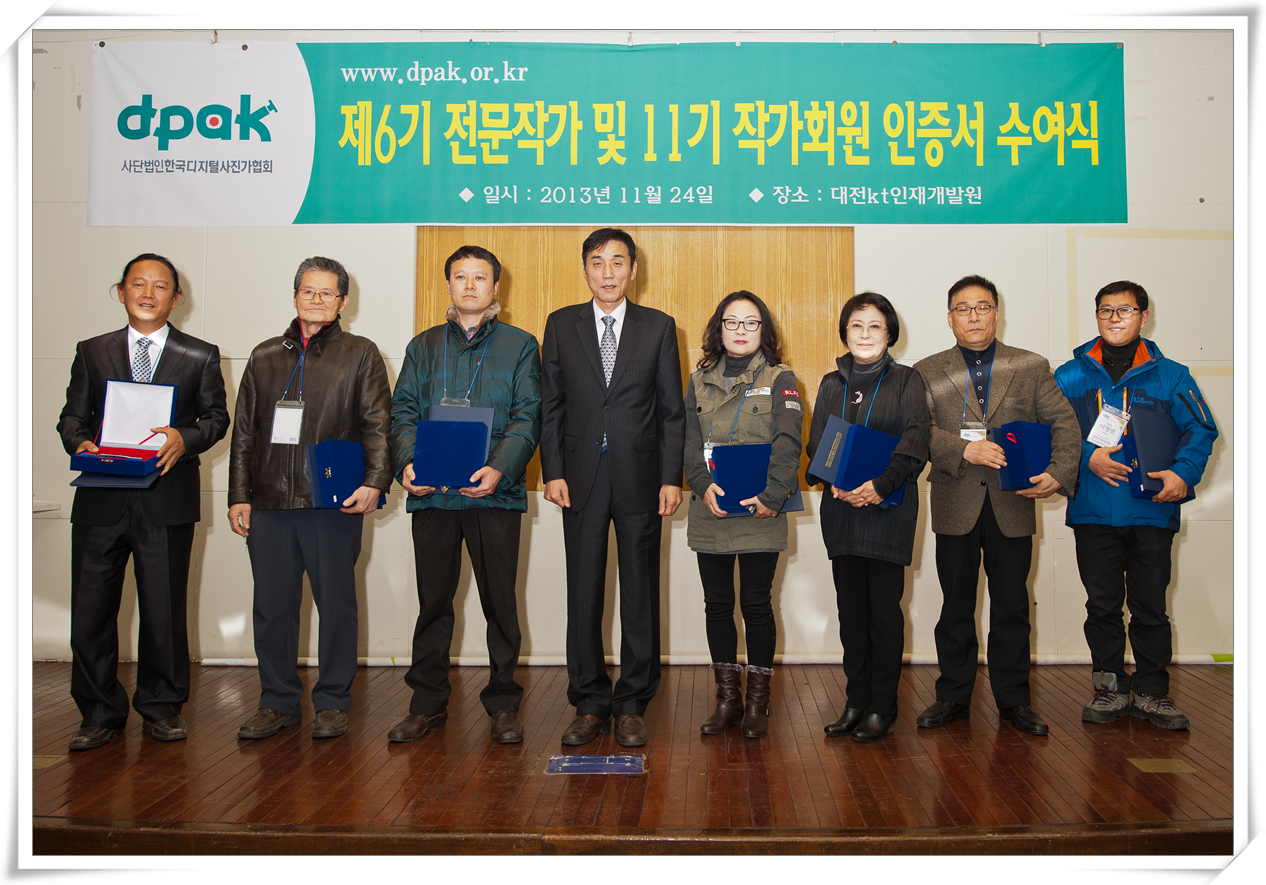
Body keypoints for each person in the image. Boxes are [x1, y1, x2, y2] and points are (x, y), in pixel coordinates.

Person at [57, 253, 229, 751]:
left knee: (163, 611)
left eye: (160, 286)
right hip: (100, 497)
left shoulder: (200, 354)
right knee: (90, 612)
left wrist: (184, 438)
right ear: (121, 292)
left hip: (166, 498)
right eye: (138, 284)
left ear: (177, 298)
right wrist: (80, 442)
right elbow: (71, 417)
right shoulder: (92, 351)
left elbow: (216, 419)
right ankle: (98, 712)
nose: (148, 293)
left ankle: (161, 707)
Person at [228, 256, 391, 741]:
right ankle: (277, 702)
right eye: (308, 291)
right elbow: (243, 434)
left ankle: (333, 701)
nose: (316, 300)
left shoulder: (360, 353)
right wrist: (239, 494)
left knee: (336, 606)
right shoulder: (263, 356)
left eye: (327, 293)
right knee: (272, 609)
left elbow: (378, 424)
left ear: (343, 301)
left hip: (332, 501)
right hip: (269, 502)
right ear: (295, 295)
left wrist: (375, 481)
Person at [386, 245, 541, 745]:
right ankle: (426, 704)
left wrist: (499, 469)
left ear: (496, 287)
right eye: (460, 276)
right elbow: (402, 412)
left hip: (493, 495)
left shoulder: (520, 345)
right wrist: (406, 463)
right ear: (448, 284)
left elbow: (528, 416)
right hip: (432, 493)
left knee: (500, 603)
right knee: (433, 602)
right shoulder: (423, 346)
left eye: (480, 277)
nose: (470, 285)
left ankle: (503, 703)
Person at [913, 274, 1080, 736]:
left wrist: (1059, 471)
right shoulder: (927, 370)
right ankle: (953, 696)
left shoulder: (1029, 365)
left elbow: (1064, 424)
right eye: (963, 309)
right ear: (950, 319)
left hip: (1013, 503)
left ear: (997, 313)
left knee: (1012, 606)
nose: (973, 316)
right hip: (956, 500)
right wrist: (963, 449)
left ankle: (1014, 700)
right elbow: (917, 430)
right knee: (955, 607)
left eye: (982, 307)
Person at [540, 227, 686, 748]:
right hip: (578, 477)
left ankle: (632, 703)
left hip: (641, 477)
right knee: (583, 592)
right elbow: (551, 405)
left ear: (633, 270)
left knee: (640, 593)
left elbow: (672, 411)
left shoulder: (659, 326)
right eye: (598, 263)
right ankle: (588, 701)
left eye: (617, 262)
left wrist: (671, 477)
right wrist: (552, 470)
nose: (608, 273)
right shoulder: (561, 324)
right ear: (585, 269)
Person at [1054, 281, 1217, 730]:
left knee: (1150, 608)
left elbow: (1201, 429)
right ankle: (1108, 688)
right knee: (1102, 607)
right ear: (1096, 317)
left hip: (1152, 510)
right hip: (1093, 510)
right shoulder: (1069, 376)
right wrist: (1087, 458)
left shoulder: (1173, 375)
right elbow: (1051, 433)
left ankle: (1152, 692)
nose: (1114, 318)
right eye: (1105, 310)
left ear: (1144, 316)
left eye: (1124, 310)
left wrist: (1183, 473)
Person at [807, 293, 929, 743]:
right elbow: (817, 445)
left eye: (875, 326)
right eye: (856, 326)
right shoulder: (830, 384)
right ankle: (855, 702)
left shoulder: (907, 380)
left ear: (889, 333)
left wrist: (879, 485)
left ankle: (882, 706)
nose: (864, 334)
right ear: (845, 333)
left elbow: (915, 442)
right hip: (842, 512)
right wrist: (832, 481)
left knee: (884, 615)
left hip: (887, 512)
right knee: (851, 615)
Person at [683, 291, 801, 739]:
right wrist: (700, 484)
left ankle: (756, 703)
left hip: (761, 510)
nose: (741, 331)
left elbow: (788, 442)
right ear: (719, 328)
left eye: (751, 323)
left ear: (763, 330)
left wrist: (773, 495)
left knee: (755, 604)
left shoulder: (780, 377)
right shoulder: (697, 380)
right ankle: (727, 700)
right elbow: (688, 440)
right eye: (731, 322)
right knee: (717, 605)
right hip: (711, 506)